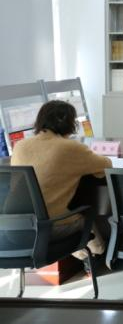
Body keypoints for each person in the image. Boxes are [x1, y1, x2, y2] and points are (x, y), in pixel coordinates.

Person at [11, 100, 111, 262]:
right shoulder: (69, 147)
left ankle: (89, 256)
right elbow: (106, 166)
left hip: (12, 229)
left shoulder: (20, 146)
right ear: (70, 123)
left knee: (71, 206)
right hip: (47, 230)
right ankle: (96, 254)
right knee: (84, 212)